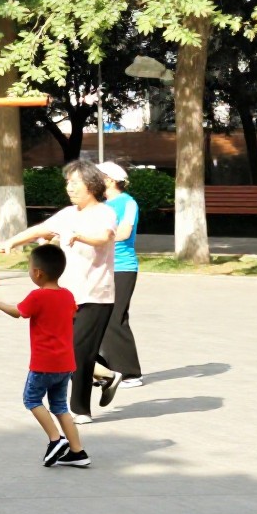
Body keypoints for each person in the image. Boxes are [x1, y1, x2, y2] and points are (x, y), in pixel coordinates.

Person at [0, 160, 123, 423]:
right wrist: (11, 241)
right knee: (68, 350)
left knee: (78, 352)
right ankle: (107, 375)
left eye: (75, 182)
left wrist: (80, 237)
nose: (70, 187)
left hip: (96, 295)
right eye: (68, 182)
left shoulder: (104, 213)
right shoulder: (67, 214)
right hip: (68, 296)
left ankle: (80, 410)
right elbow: (40, 230)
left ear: (92, 185)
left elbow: (104, 238)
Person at [0, 244, 91, 468]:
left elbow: (19, 312)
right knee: (60, 406)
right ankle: (77, 451)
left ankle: (56, 439)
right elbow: (72, 313)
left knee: (32, 399)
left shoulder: (38, 296)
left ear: (38, 273)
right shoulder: (67, 295)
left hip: (44, 363)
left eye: (29, 268)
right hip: (65, 363)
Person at [99, 162, 142, 387]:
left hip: (123, 267)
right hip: (102, 267)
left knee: (116, 318)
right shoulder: (101, 205)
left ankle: (130, 373)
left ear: (111, 180)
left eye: (99, 176)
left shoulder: (128, 203)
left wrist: (93, 238)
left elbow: (124, 233)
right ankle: (107, 371)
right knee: (101, 318)